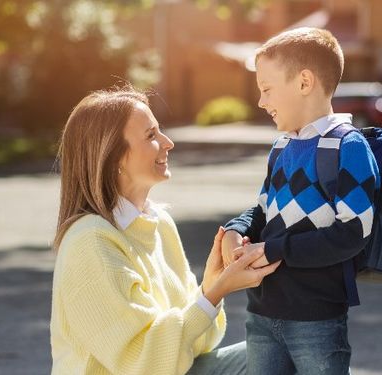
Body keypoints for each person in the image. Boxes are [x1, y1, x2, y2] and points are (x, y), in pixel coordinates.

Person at [50, 87, 280, 375]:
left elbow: (199, 345)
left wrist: (211, 286)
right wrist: (215, 292)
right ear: (114, 157)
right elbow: (145, 366)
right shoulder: (91, 242)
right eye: (151, 135)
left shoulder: (158, 223)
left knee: (284, 353)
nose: (168, 142)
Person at [221, 28, 380, 375]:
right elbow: (263, 209)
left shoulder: (348, 147)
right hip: (261, 312)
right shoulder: (281, 147)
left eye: (266, 89)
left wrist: (274, 249)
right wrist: (237, 228)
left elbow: (352, 233)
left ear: (304, 82)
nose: (261, 102)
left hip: (316, 319)